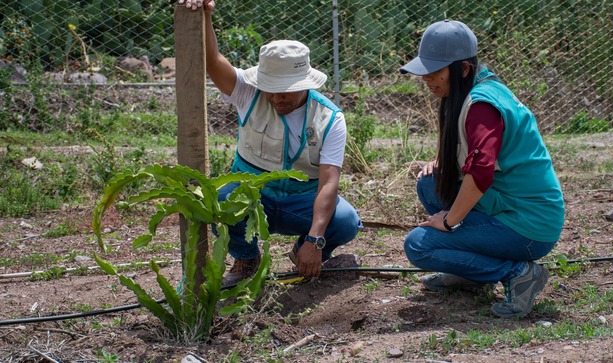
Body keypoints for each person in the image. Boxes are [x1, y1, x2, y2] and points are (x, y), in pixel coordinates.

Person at [180, 0, 362, 285]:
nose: (277, 98)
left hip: (301, 200)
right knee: (220, 202)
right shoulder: (248, 93)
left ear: (305, 84)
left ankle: (304, 251)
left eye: (285, 92)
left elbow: (328, 183)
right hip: (253, 194)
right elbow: (214, 62)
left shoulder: (330, 118)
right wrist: (205, 15)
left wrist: (315, 240)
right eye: (271, 90)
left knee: (345, 221)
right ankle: (246, 258)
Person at [400, 20, 565, 318]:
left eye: (435, 71)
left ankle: (519, 273)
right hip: (508, 206)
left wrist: (449, 222)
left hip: (529, 225)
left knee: (419, 247)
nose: (426, 78)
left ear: (462, 69)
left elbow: (481, 172)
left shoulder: (482, 105)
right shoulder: (472, 89)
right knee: (429, 183)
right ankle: (472, 274)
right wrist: (443, 162)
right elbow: (471, 152)